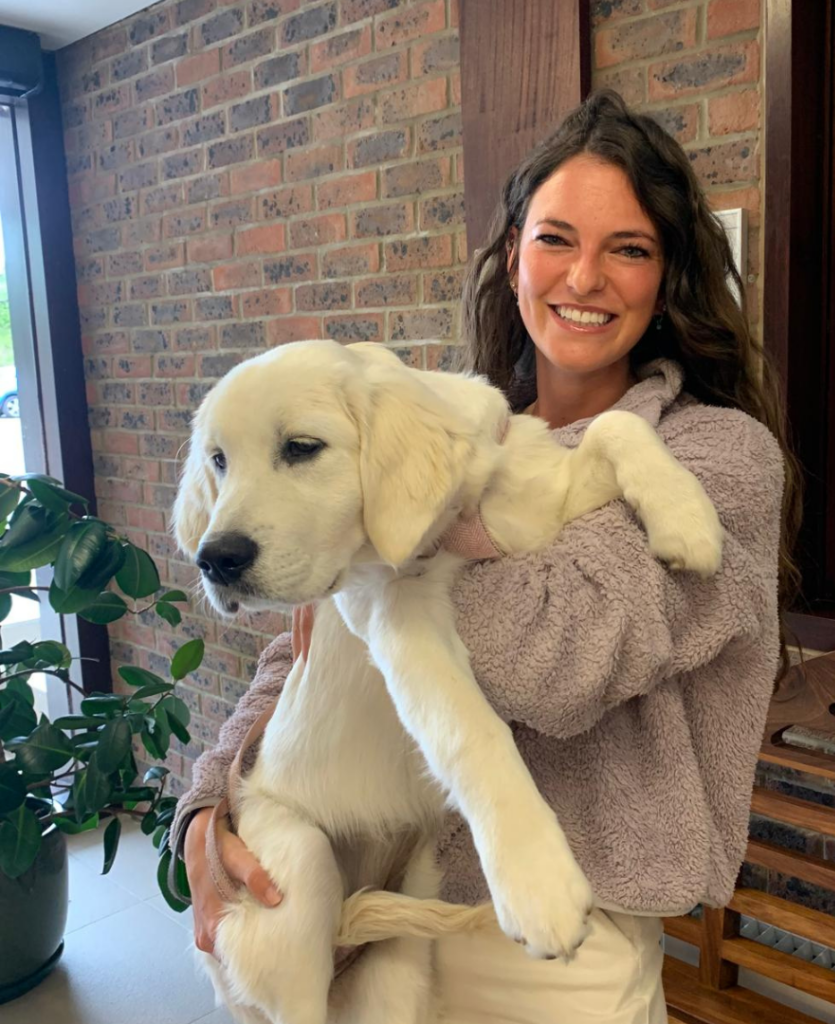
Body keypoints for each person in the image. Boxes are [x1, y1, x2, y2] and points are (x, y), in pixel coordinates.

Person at [169, 88, 801, 1023]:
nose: (584, 276)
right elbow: (304, 647)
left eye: (627, 248)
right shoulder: (453, 431)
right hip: (366, 890)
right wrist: (211, 798)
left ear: (665, 277)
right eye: (555, 239)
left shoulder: (717, 456)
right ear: (515, 258)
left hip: (561, 933)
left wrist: (404, 523)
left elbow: (558, 657)